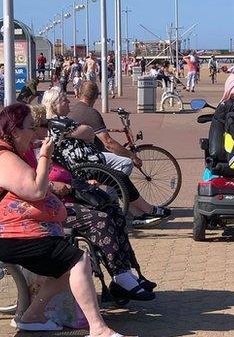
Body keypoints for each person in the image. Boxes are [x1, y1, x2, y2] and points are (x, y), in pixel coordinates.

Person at [0, 104, 134, 337]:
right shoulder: (4, 157)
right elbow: (37, 189)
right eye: (31, 128)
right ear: (16, 131)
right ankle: (98, 329)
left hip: (13, 232)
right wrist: (45, 155)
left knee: (71, 265)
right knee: (77, 260)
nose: (35, 134)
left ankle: (32, 316)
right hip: (4, 236)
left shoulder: (7, 152)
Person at [27, 104, 156, 301]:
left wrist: (82, 182)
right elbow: (32, 183)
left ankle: (125, 273)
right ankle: (120, 276)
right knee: (101, 220)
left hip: (69, 196)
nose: (47, 130)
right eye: (42, 125)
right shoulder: (30, 154)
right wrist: (54, 185)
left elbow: (67, 170)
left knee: (114, 211)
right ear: (32, 128)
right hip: (50, 206)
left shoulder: (47, 146)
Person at [42, 85, 171, 226]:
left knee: (119, 177)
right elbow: (90, 133)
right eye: (64, 101)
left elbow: (88, 133)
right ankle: (145, 209)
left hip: (85, 161)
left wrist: (85, 131)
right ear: (54, 105)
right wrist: (85, 131)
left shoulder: (59, 121)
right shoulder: (58, 123)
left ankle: (139, 214)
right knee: (120, 176)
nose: (68, 102)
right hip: (83, 165)